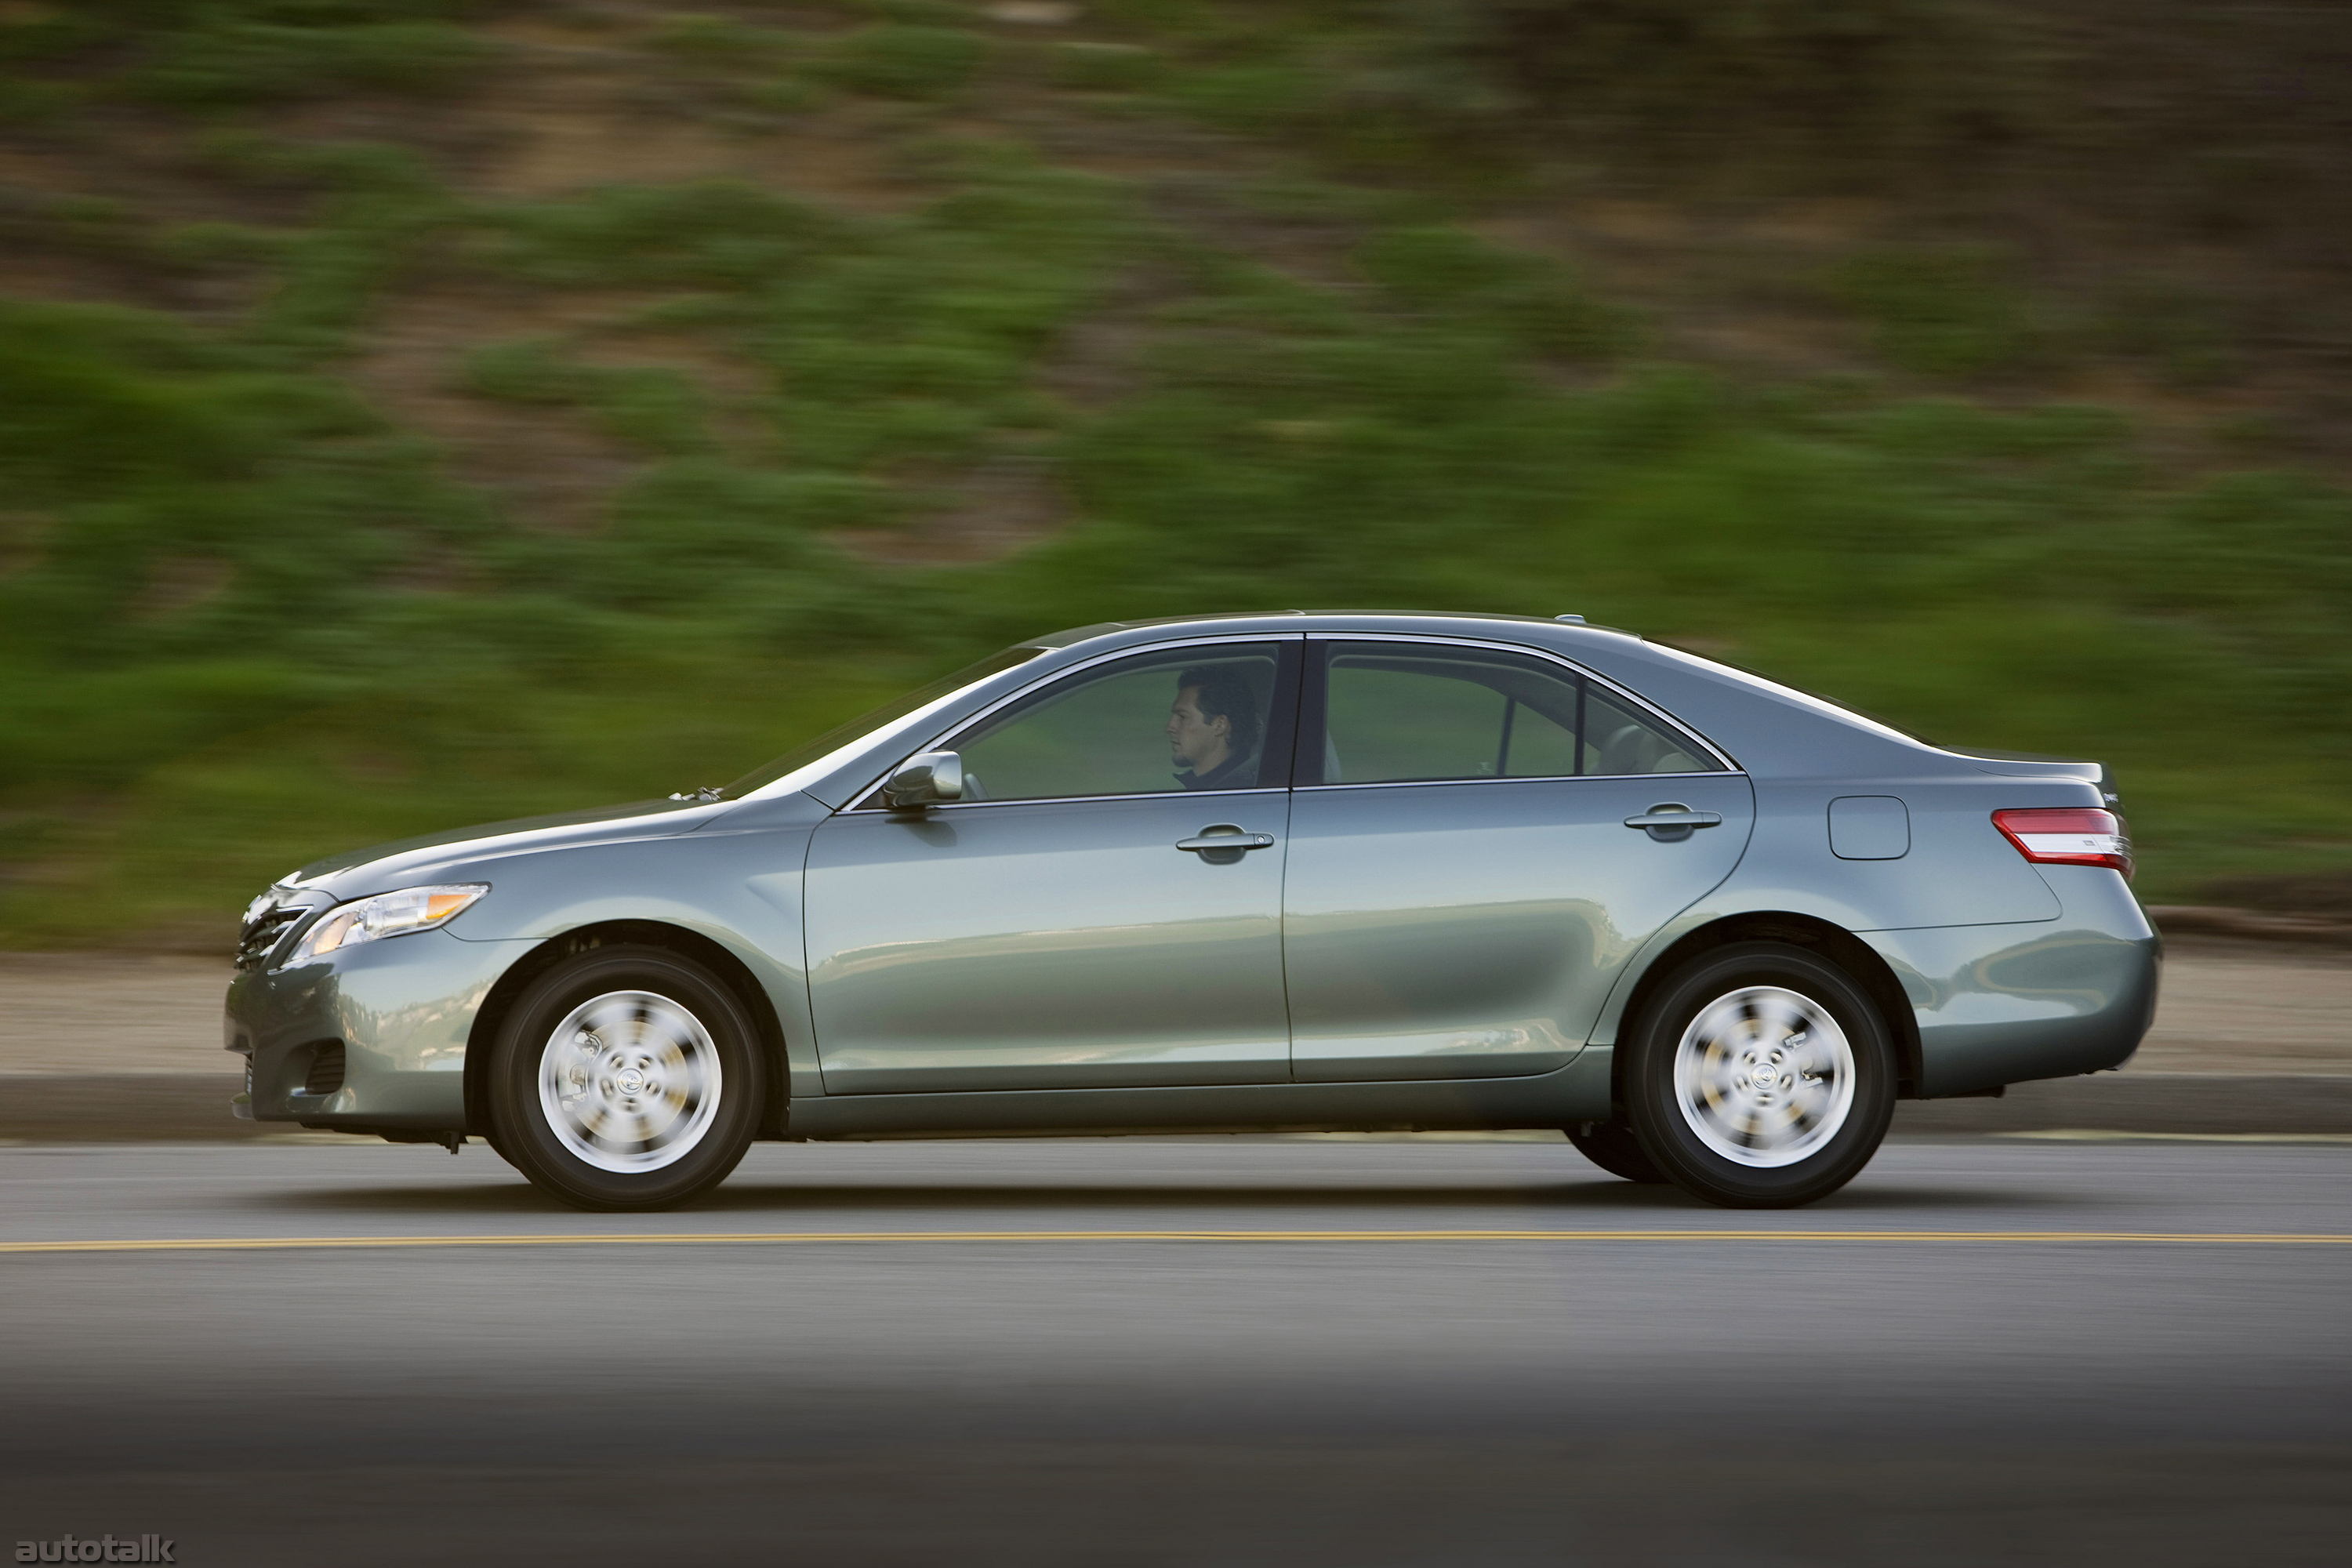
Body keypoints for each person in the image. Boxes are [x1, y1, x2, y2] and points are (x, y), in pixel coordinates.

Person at [1167, 666, 1261, 790]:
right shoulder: (1225, 789)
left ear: (1220, 725)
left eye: (1183, 717)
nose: (1170, 727)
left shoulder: (1236, 795)